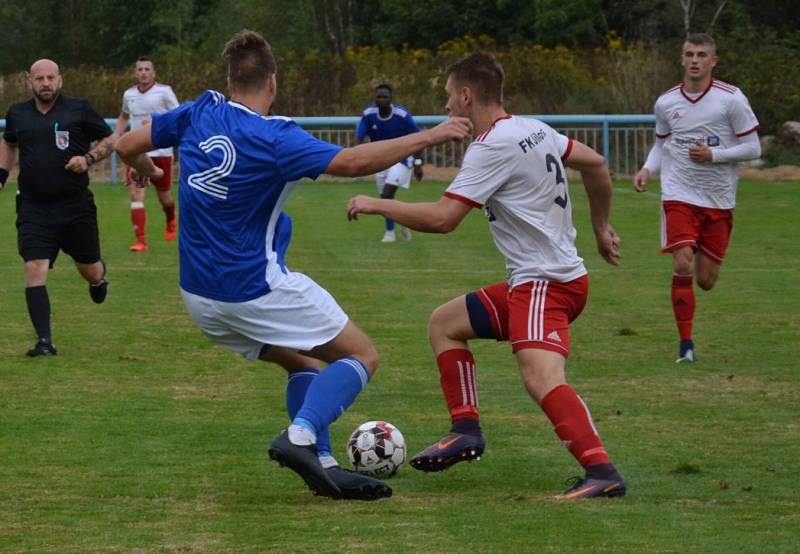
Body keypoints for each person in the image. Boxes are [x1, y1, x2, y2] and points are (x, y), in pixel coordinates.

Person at [115, 30, 472, 500]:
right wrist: (429, 134)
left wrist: (153, 172)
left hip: (198, 298)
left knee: (304, 361)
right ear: (273, 83)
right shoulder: (274, 136)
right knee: (361, 355)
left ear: (228, 79)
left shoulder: (200, 109)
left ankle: (322, 462)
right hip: (250, 289)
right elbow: (348, 162)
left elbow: (125, 146)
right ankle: (300, 437)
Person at [347, 52, 626, 499]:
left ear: (466, 96)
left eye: (448, 100)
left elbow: (443, 218)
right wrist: (600, 227)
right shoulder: (533, 127)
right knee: (445, 323)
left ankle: (602, 471)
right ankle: (466, 430)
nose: (447, 110)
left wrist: (377, 202)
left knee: (542, 378)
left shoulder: (492, 144)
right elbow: (595, 164)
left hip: (544, 284)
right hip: (545, 280)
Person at [633, 33, 761, 363]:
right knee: (682, 261)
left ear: (713, 61)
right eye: (689, 54)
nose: (694, 60)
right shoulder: (666, 102)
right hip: (679, 193)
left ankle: (688, 336)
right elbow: (662, 143)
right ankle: (685, 346)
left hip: (718, 199)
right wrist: (647, 169)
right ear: (681, 59)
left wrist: (714, 155)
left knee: (706, 281)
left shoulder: (731, 99)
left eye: (701, 54)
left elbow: (754, 148)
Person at [0, 59, 115, 357]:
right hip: (33, 207)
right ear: (29, 81)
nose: (46, 83)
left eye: (51, 77)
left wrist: (89, 159)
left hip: (75, 207)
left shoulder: (78, 109)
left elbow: (110, 138)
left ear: (60, 80)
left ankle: (99, 277)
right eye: (39, 78)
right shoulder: (18, 113)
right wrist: (1, 176)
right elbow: (10, 143)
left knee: (89, 269)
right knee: (34, 268)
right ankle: (45, 342)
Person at [114, 56, 180, 252]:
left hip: (161, 151)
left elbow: (177, 115)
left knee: (165, 197)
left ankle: (170, 218)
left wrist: (155, 123)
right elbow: (124, 115)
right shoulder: (129, 94)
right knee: (136, 193)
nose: (143, 72)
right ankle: (141, 240)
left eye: (147, 69)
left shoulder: (164, 92)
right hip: (138, 153)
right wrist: (117, 134)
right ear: (136, 73)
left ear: (153, 73)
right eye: (140, 69)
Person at [356, 84, 424, 242]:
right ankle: (403, 221)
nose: (381, 99)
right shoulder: (368, 114)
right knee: (385, 199)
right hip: (379, 161)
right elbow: (359, 139)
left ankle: (389, 233)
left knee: (387, 194)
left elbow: (419, 139)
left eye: (385, 96)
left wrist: (418, 163)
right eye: (379, 96)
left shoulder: (402, 115)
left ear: (391, 98)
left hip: (402, 159)